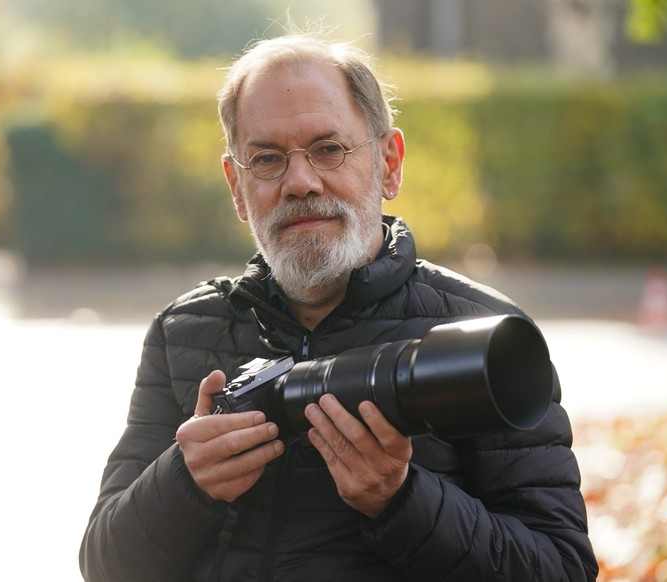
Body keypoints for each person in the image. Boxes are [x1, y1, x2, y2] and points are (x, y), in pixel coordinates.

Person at [80, 26, 598, 582]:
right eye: (268, 159)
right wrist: (184, 483)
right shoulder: (183, 332)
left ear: (389, 163)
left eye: (329, 149)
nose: (300, 182)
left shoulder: (486, 335)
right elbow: (105, 564)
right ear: (236, 186)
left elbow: (561, 569)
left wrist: (403, 500)